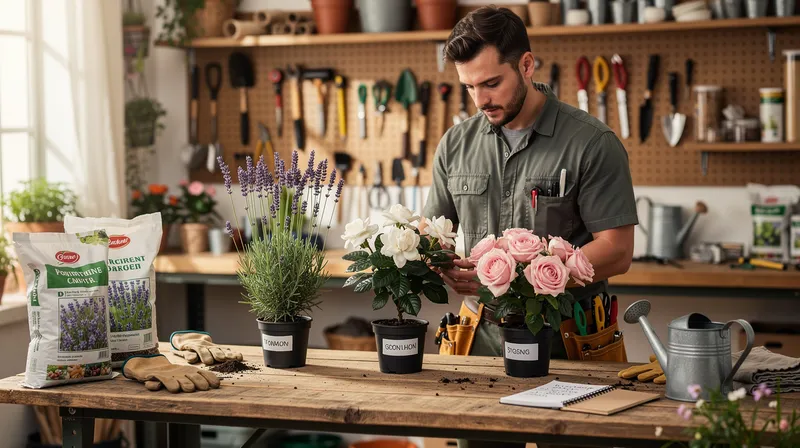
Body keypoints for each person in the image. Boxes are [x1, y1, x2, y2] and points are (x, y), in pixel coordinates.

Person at [422, 7, 638, 447]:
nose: (480, 100)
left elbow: (617, 250)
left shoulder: (592, 144)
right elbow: (436, 232)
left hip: (569, 348)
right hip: (478, 347)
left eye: (491, 83)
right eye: (469, 87)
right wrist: (439, 260)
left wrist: (521, 273)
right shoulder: (455, 144)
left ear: (526, 65)